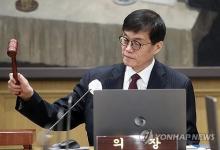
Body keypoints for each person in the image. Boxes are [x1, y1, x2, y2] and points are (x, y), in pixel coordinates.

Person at [8, 9, 199, 146]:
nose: (127, 48)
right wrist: (28, 95)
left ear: (157, 47)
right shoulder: (96, 80)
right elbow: (58, 118)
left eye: (137, 44)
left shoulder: (178, 84)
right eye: (125, 40)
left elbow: (190, 141)